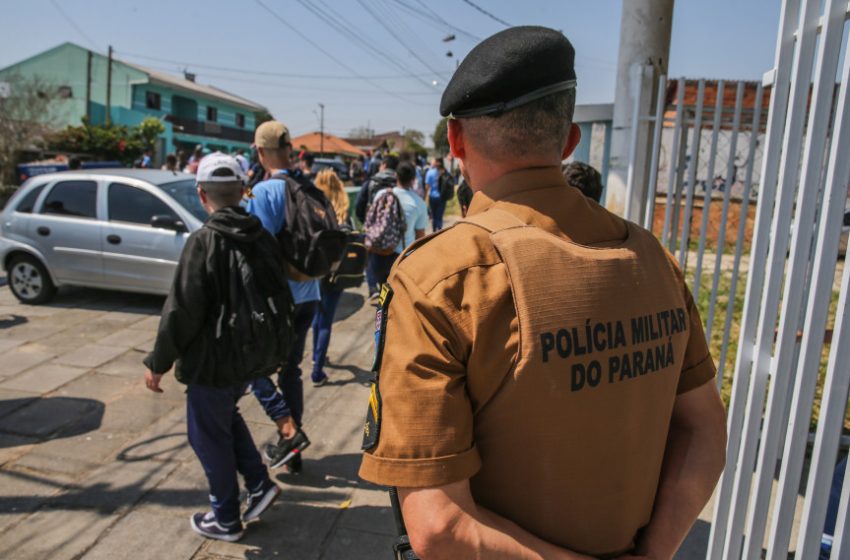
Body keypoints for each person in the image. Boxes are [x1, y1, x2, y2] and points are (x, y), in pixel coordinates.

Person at [358, 26, 727, 559]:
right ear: (569, 139)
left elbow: (439, 528)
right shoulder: (652, 259)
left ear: (456, 141)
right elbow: (705, 429)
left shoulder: (441, 278)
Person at [143, 153, 282, 542]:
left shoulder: (203, 242)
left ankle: (225, 518)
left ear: (201, 195)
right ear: (242, 192)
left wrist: (158, 362)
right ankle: (258, 484)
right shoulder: (260, 235)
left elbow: (181, 310)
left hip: (212, 361)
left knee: (206, 436)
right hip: (249, 358)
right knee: (225, 420)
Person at [246, 121, 320, 474]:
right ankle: (294, 454)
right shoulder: (309, 185)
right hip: (311, 294)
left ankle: (287, 429)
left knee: (251, 366)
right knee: (291, 370)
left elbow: (258, 250)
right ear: (290, 151)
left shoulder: (264, 193)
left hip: (281, 299)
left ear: (261, 153)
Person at [310, 168, 351, 387]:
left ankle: (317, 357)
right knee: (327, 320)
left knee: (318, 317)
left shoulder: (317, 209)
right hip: (338, 273)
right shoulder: (343, 210)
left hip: (318, 270)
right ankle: (317, 370)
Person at [354, 154, 399, 300]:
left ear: (384, 165)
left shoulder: (371, 182)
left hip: (373, 232)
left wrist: (367, 223)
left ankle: (373, 287)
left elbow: (358, 206)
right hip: (394, 234)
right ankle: (388, 294)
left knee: (371, 259)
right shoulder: (398, 183)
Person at [391, 162, 428, 252]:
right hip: (402, 256)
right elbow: (420, 236)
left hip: (379, 254)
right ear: (414, 179)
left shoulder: (382, 195)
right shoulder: (419, 203)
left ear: (395, 175)